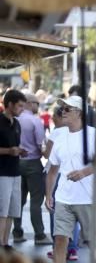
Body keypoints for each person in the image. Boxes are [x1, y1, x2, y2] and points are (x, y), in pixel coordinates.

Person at [45, 96, 95, 263]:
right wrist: (48, 194)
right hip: (63, 198)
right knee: (59, 240)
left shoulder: (93, 135)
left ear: (79, 113)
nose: (62, 112)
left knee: (92, 243)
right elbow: (53, 170)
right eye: (61, 109)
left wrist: (84, 172)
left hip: (88, 198)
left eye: (67, 109)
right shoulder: (58, 135)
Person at [12, 93, 52, 245]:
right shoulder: (35, 121)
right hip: (33, 163)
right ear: (29, 103)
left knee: (18, 200)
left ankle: (17, 232)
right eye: (36, 103)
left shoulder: (14, 119)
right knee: (36, 201)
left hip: (16, 163)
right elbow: (40, 145)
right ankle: (40, 235)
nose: (38, 106)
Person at [44, 105, 80, 262]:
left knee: (58, 212)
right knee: (74, 214)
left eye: (55, 116)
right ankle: (72, 248)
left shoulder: (56, 132)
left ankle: (58, 247)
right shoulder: (86, 133)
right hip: (75, 177)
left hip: (60, 175)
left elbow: (48, 156)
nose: (54, 118)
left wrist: (48, 194)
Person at [0, 89, 27, 248]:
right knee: (2, 210)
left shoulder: (16, 123)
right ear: (9, 104)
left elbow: (14, 146)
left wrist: (19, 151)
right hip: (2, 173)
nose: (22, 109)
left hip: (16, 171)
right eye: (20, 106)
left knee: (12, 210)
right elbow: (8, 148)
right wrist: (9, 151)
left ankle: (5, 242)